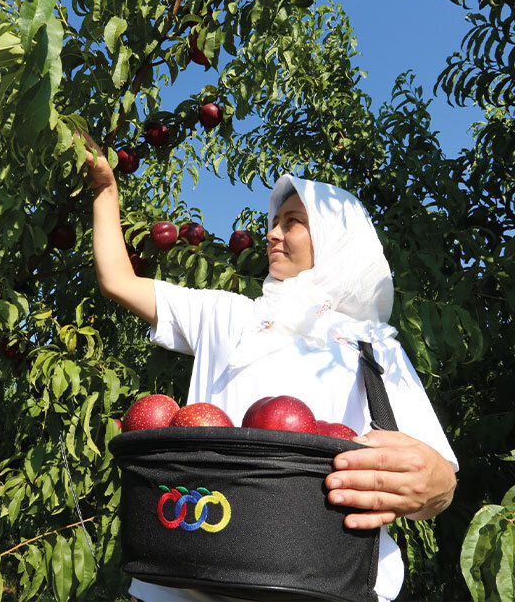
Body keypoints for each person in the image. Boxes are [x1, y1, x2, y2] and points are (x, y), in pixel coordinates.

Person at [80, 131, 458, 602]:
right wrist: (105, 190)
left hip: (325, 584)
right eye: (274, 221)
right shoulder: (229, 315)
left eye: (293, 222)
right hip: (191, 580)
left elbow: (436, 472)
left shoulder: (373, 347)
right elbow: (118, 280)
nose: (273, 233)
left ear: (336, 242)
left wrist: (438, 489)